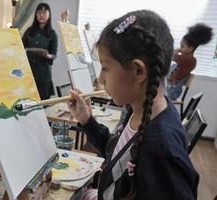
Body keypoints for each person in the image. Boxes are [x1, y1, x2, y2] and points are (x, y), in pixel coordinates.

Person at [67, 10, 199, 199]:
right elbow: (118, 156)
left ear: (138, 72)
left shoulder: (160, 148)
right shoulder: (141, 109)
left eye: (105, 67)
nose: (100, 78)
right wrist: (86, 119)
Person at [167, 23, 213, 100]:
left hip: (172, 92)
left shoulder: (186, 59)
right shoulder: (188, 59)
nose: (180, 48)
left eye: (182, 46)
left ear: (191, 48)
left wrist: (173, 53)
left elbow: (175, 59)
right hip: (172, 89)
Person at [22, 3, 58, 100]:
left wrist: (47, 55)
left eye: (44, 12)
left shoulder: (52, 34)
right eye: (39, 13)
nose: (41, 15)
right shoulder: (29, 31)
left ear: (49, 14)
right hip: (28, 72)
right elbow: (20, 47)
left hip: (43, 74)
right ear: (36, 15)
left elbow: (54, 54)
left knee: (43, 105)